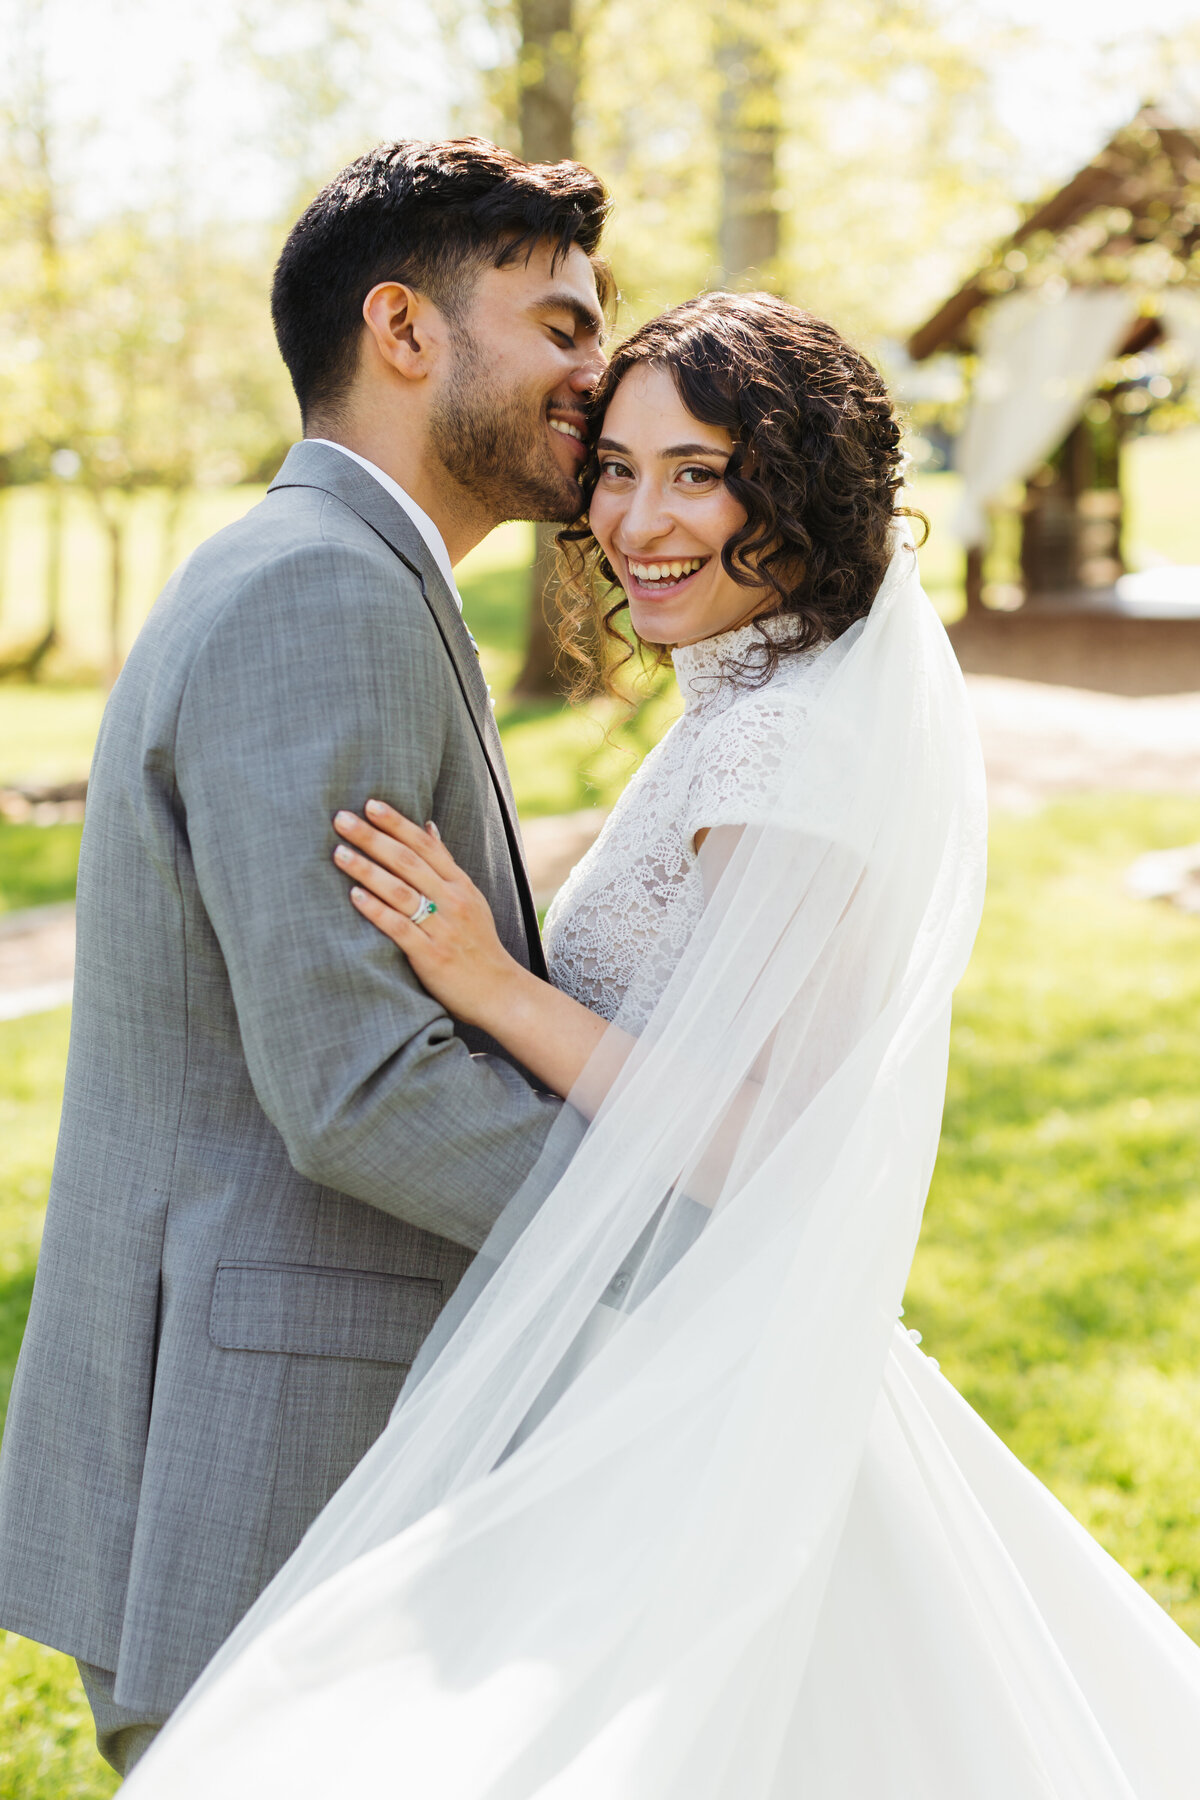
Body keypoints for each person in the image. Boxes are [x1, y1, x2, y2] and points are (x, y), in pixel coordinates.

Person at [129, 293, 1200, 1798]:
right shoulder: (746, 709)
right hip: (654, 1350)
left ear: (801, 487)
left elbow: (770, 1140)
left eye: (700, 471)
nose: (638, 519)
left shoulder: (782, 750)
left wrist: (495, 986)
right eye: (617, 468)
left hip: (701, 1381)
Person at [0, 137, 610, 1777]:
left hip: (291, 1442)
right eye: (558, 324)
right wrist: (661, 1237)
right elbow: (356, 1085)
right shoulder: (322, 596)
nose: (596, 372)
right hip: (261, 1456)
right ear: (405, 332)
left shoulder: (354, 575)